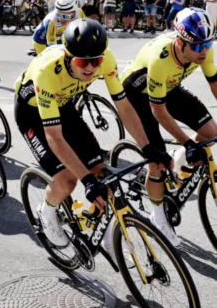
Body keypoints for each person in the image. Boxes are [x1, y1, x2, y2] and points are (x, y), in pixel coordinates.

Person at [15, 18, 170, 255]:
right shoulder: (47, 71)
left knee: (101, 170)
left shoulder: (105, 59)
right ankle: (46, 214)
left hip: (63, 104)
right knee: (68, 181)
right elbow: (54, 137)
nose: (91, 68)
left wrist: (147, 148)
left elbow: (124, 107)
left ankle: (108, 235)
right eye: (83, 62)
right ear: (68, 57)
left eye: (96, 61)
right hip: (31, 112)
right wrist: (86, 180)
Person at [121, 7, 217, 246]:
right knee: (158, 164)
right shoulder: (160, 58)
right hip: (137, 96)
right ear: (180, 41)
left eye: (208, 43)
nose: (203, 51)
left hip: (169, 87)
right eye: (196, 46)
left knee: (211, 133)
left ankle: (181, 156)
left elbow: (216, 85)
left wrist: (189, 144)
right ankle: (158, 215)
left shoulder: (204, 49)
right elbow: (158, 111)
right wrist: (187, 141)